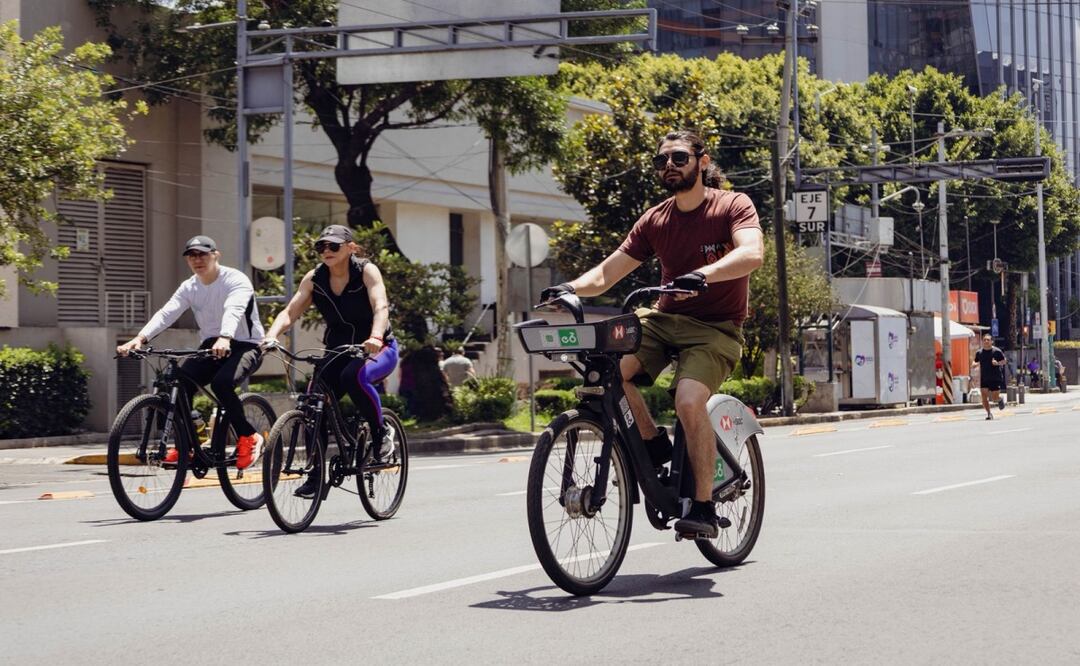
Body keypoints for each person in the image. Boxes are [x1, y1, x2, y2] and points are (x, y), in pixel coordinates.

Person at [539, 129, 764, 539]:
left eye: (679, 158)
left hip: (715, 328)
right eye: (661, 161)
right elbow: (608, 272)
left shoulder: (733, 205)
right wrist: (569, 287)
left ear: (703, 161)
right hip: (662, 318)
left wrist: (705, 274)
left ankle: (703, 506)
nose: (669, 166)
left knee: (688, 400)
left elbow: (752, 253)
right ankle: (652, 444)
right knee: (608, 370)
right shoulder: (656, 219)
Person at [263, 225, 398, 498]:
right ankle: (315, 478)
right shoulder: (315, 278)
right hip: (337, 349)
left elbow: (380, 305)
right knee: (314, 407)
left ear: (350, 247)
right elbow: (290, 311)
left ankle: (381, 433)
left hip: (377, 348)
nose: (326, 251)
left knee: (353, 377)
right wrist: (271, 336)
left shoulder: (366, 271)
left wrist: (375, 335)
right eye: (321, 247)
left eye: (333, 246)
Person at [117, 235, 265, 468]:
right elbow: (167, 313)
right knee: (177, 384)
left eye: (203, 254)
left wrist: (225, 336)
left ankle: (248, 436)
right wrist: (140, 338)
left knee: (221, 384)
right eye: (192, 256)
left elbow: (233, 309)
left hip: (245, 344)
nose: (197, 260)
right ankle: (189, 442)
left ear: (216, 255)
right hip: (211, 345)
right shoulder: (190, 286)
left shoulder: (236, 279)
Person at [972, 334, 1007, 420]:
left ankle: (999, 399)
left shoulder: (997, 351)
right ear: (982, 341)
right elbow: (974, 361)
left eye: (988, 340)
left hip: (995, 377)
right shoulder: (979, 353)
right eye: (984, 340)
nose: (986, 341)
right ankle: (989, 414)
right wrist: (974, 364)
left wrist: (997, 363)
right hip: (984, 378)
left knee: (994, 397)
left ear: (992, 341)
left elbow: (1004, 361)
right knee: (984, 397)